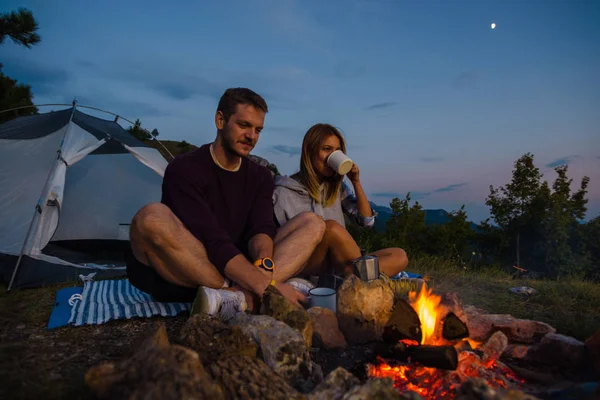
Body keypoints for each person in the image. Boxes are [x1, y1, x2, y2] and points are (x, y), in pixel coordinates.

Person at [126, 88, 326, 321]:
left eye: (258, 129)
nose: (251, 136)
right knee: (150, 217)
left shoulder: (260, 176)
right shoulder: (185, 168)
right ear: (220, 120)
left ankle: (237, 296)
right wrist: (267, 286)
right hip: (194, 268)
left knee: (313, 223)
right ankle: (237, 290)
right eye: (244, 125)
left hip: (242, 266)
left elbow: (260, 230)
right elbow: (210, 238)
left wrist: (262, 266)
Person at [273, 123, 409, 281]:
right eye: (326, 149)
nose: (333, 156)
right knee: (330, 228)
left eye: (337, 151)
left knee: (399, 256)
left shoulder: (336, 188)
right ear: (310, 152)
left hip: (340, 264)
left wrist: (355, 182)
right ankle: (362, 280)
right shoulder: (283, 192)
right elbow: (280, 245)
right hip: (307, 265)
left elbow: (367, 221)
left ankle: (348, 279)